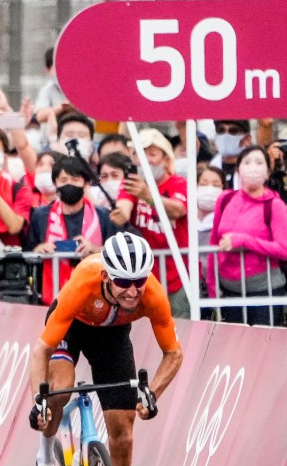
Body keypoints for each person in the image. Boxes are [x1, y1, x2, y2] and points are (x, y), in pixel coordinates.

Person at [29, 233, 184, 466]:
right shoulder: (84, 281)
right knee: (61, 390)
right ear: (105, 277)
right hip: (72, 328)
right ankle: (44, 458)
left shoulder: (152, 295)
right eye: (124, 282)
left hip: (112, 339)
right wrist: (39, 402)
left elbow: (173, 353)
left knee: (124, 434)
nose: (133, 290)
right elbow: (40, 349)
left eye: (139, 281)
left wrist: (152, 393)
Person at [207, 146, 287, 327]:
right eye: (247, 162)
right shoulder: (225, 199)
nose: (253, 168)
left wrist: (244, 241)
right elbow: (213, 243)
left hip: (264, 291)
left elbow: (284, 248)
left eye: (259, 163)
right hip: (229, 291)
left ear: (267, 172)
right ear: (238, 170)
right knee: (234, 348)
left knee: (262, 348)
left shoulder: (275, 205)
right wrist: (212, 289)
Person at [114, 129, 191, 318]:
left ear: (166, 159)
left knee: (180, 330)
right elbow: (124, 206)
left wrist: (147, 196)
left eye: (152, 153)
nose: (146, 160)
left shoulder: (179, 183)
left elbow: (178, 209)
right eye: (139, 154)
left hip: (179, 276)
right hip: (141, 278)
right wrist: (120, 214)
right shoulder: (132, 184)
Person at [26, 155, 116, 303]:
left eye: (75, 180)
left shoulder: (103, 216)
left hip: (96, 295)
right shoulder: (40, 215)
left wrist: (93, 248)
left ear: (85, 183)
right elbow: (28, 251)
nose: (69, 184)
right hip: (52, 297)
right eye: (63, 180)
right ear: (55, 183)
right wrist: (39, 250)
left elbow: (115, 252)